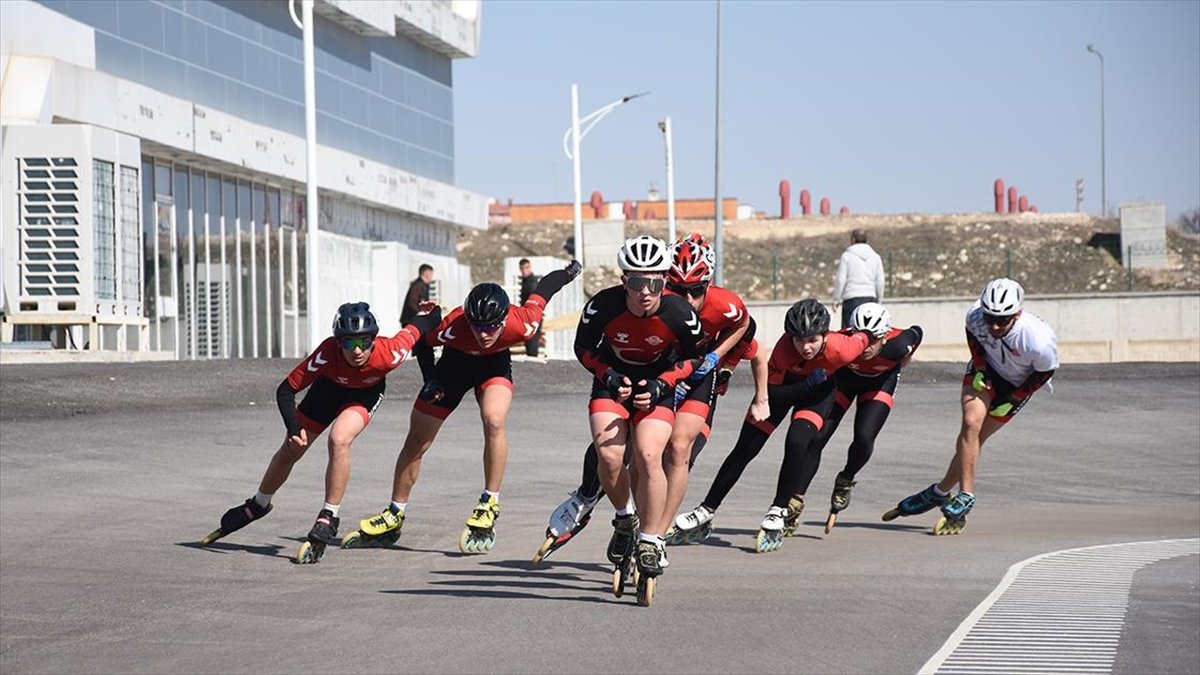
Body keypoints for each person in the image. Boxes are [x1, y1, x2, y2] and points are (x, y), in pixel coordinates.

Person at [534, 233, 767, 566]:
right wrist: (612, 376)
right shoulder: (610, 304)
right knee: (613, 450)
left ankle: (656, 536)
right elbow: (584, 348)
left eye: (696, 291)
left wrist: (720, 361)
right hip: (646, 373)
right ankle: (595, 500)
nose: (687, 298)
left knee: (675, 450)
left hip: (684, 374)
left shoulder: (712, 307)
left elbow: (745, 327)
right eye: (678, 288)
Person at [349, 260, 582, 554]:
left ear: (503, 319)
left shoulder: (523, 321)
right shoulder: (455, 324)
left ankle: (489, 502)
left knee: (494, 420)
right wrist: (430, 378)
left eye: (491, 326)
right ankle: (395, 512)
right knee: (418, 439)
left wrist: (569, 272)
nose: (484, 333)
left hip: (493, 365)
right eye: (477, 325)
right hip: (453, 366)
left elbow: (545, 288)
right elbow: (422, 341)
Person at [200, 301, 441, 564]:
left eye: (364, 342)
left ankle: (329, 515)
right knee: (292, 448)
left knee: (339, 439)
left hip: (364, 395)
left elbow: (420, 326)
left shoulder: (389, 352)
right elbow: (285, 390)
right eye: (349, 343)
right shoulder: (327, 353)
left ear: (374, 339)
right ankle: (258, 503)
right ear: (338, 342)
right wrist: (293, 429)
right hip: (327, 392)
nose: (357, 350)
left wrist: (433, 311)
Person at [673, 298, 869, 553]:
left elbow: (868, 337)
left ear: (825, 335)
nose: (806, 347)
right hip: (784, 390)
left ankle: (778, 510)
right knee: (744, 449)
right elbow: (773, 395)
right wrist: (805, 385)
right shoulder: (783, 351)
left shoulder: (843, 347)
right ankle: (707, 509)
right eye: (799, 340)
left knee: (798, 441)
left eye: (812, 340)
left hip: (818, 396)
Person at [573, 235, 705, 604]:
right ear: (623, 282)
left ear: (664, 282)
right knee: (610, 457)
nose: (645, 292)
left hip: (656, 386)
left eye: (655, 283)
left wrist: (664, 385)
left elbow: (697, 359)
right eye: (636, 282)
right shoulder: (603, 306)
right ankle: (624, 518)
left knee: (648, 455)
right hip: (612, 382)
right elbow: (582, 348)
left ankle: (650, 539)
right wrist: (607, 375)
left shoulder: (680, 313)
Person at [884, 278, 1058, 535]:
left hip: (1019, 385)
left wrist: (1016, 397)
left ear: (1017, 313)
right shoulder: (976, 317)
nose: (995, 325)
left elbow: (1045, 372)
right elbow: (973, 336)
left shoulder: (1039, 340)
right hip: (986, 372)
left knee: (977, 438)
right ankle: (965, 495)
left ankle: (939, 491)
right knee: (970, 424)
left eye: (1003, 320)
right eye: (991, 318)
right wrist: (979, 365)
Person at [791, 302, 923, 533]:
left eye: (873, 339)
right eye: (862, 336)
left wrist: (904, 361)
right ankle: (795, 500)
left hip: (880, 382)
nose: (866, 345)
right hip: (846, 381)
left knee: (864, 438)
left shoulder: (900, 344)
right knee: (818, 438)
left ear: (885, 336)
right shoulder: (843, 339)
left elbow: (917, 332)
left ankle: (846, 478)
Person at [832, 228, 885, 329]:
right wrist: (879, 300)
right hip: (870, 299)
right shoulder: (875, 257)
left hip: (851, 299)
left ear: (852, 240)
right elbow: (880, 281)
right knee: (869, 332)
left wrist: (836, 299)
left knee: (849, 334)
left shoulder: (846, 256)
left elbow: (841, 280)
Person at [402, 264, 437, 381]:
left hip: (417, 322)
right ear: (426, 274)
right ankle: (430, 378)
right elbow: (412, 303)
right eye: (431, 274)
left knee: (424, 350)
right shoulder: (418, 286)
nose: (432, 277)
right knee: (423, 350)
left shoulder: (421, 285)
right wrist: (422, 314)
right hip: (413, 322)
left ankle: (430, 377)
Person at [518, 258, 542, 358]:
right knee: (529, 342)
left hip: (532, 316)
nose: (525, 270)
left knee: (532, 343)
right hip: (528, 316)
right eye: (522, 268)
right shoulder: (526, 281)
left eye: (527, 268)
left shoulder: (532, 282)